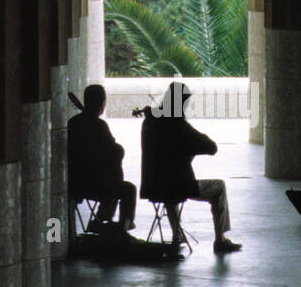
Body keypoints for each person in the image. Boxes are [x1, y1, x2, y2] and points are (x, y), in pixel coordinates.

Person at [141, 82, 242, 254]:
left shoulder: (149, 122)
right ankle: (220, 240)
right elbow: (211, 147)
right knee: (219, 187)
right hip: (179, 186)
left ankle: (177, 233)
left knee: (168, 189)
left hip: (152, 185)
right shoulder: (178, 125)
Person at [68, 84, 136, 232]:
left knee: (112, 177)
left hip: (76, 182)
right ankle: (122, 225)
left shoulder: (73, 123)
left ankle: (103, 218)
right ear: (101, 103)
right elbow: (114, 152)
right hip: (95, 185)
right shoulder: (99, 126)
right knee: (128, 189)